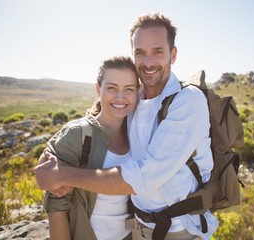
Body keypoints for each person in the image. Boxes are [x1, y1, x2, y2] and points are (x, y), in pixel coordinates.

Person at [34, 12, 218, 240]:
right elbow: (101, 116)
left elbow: (142, 177)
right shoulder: (135, 97)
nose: (148, 62)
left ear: (173, 54)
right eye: (140, 53)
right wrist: (53, 153)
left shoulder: (188, 101)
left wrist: (64, 175)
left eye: (157, 52)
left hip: (180, 230)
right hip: (137, 229)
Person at [41, 56, 139, 240]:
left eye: (129, 89)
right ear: (98, 89)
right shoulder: (78, 133)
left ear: (137, 92)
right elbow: (56, 208)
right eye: (111, 88)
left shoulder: (138, 133)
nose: (120, 97)